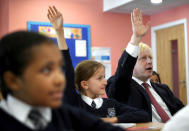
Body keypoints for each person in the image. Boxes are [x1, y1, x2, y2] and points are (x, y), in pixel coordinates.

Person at [0, 30, 128, 131]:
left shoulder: (64, 114)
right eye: (46, 70)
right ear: (12, 81)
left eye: (60, 69)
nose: (60, 79)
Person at [48, 6, 150, 124]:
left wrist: (112, 119)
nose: (105, 82)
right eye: (99, 78)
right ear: (85, 84)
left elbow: (143, 115)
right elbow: (67, 71)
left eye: (104, 77)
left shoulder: (111, 104)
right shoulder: (74, 102)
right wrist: (60, 32)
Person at [106, 8, 184, 123]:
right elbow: (122, 75)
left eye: (150, 58)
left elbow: (182, 112)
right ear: (132, 64)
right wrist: (136, 39)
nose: (149, 62)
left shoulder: (163, 89)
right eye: (143, 58)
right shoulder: (122, 87)